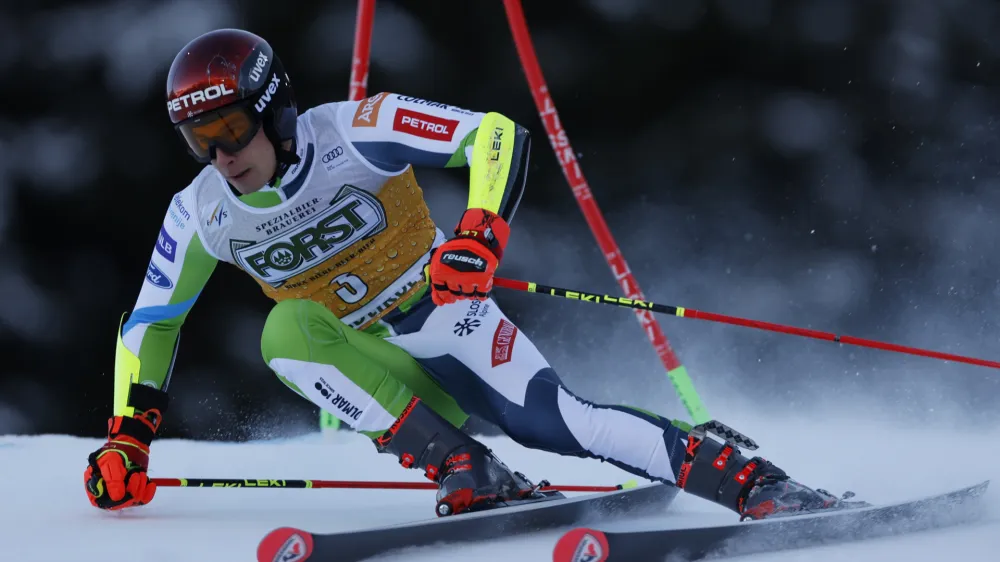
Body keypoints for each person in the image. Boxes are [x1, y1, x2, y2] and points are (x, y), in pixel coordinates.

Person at [83, 28, 847, 520]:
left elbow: (494, 137)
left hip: (447, 316)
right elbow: (152, 323)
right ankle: (464, 467)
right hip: (373, 366)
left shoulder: (355, 130)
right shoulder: (201, 213)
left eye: (230, 128)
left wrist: (479, 235)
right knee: (285, 333)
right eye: (199, 140)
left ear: (273, 108)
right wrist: (129, 438)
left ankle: (753, 483)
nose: (221, 155)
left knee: (553, 424)